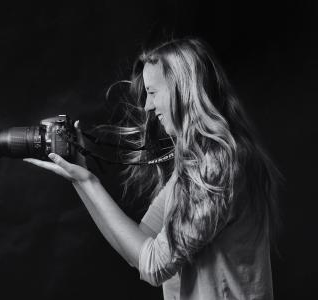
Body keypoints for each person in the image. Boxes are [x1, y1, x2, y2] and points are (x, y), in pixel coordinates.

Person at [24, 38, 281, 300]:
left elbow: (154, 265)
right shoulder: (196, 167)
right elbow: (139, 249)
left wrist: (90, 182)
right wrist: (79, 179)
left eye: (153, 92)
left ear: (183, 90)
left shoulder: (218, 165)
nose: (147, 105)